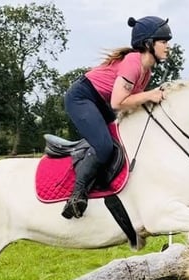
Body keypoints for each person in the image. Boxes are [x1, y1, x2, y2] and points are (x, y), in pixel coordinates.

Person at [61, 16, 172, 219]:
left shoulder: (146, 72)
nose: (168, 46)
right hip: (82, 97)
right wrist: (150, 95)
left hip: (99, 101)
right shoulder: (133, 62)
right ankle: (76, 195)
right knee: (104, 146)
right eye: (163, 41)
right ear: (148, 43)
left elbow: (131, 103)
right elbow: (118, 102)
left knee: (121, 141)